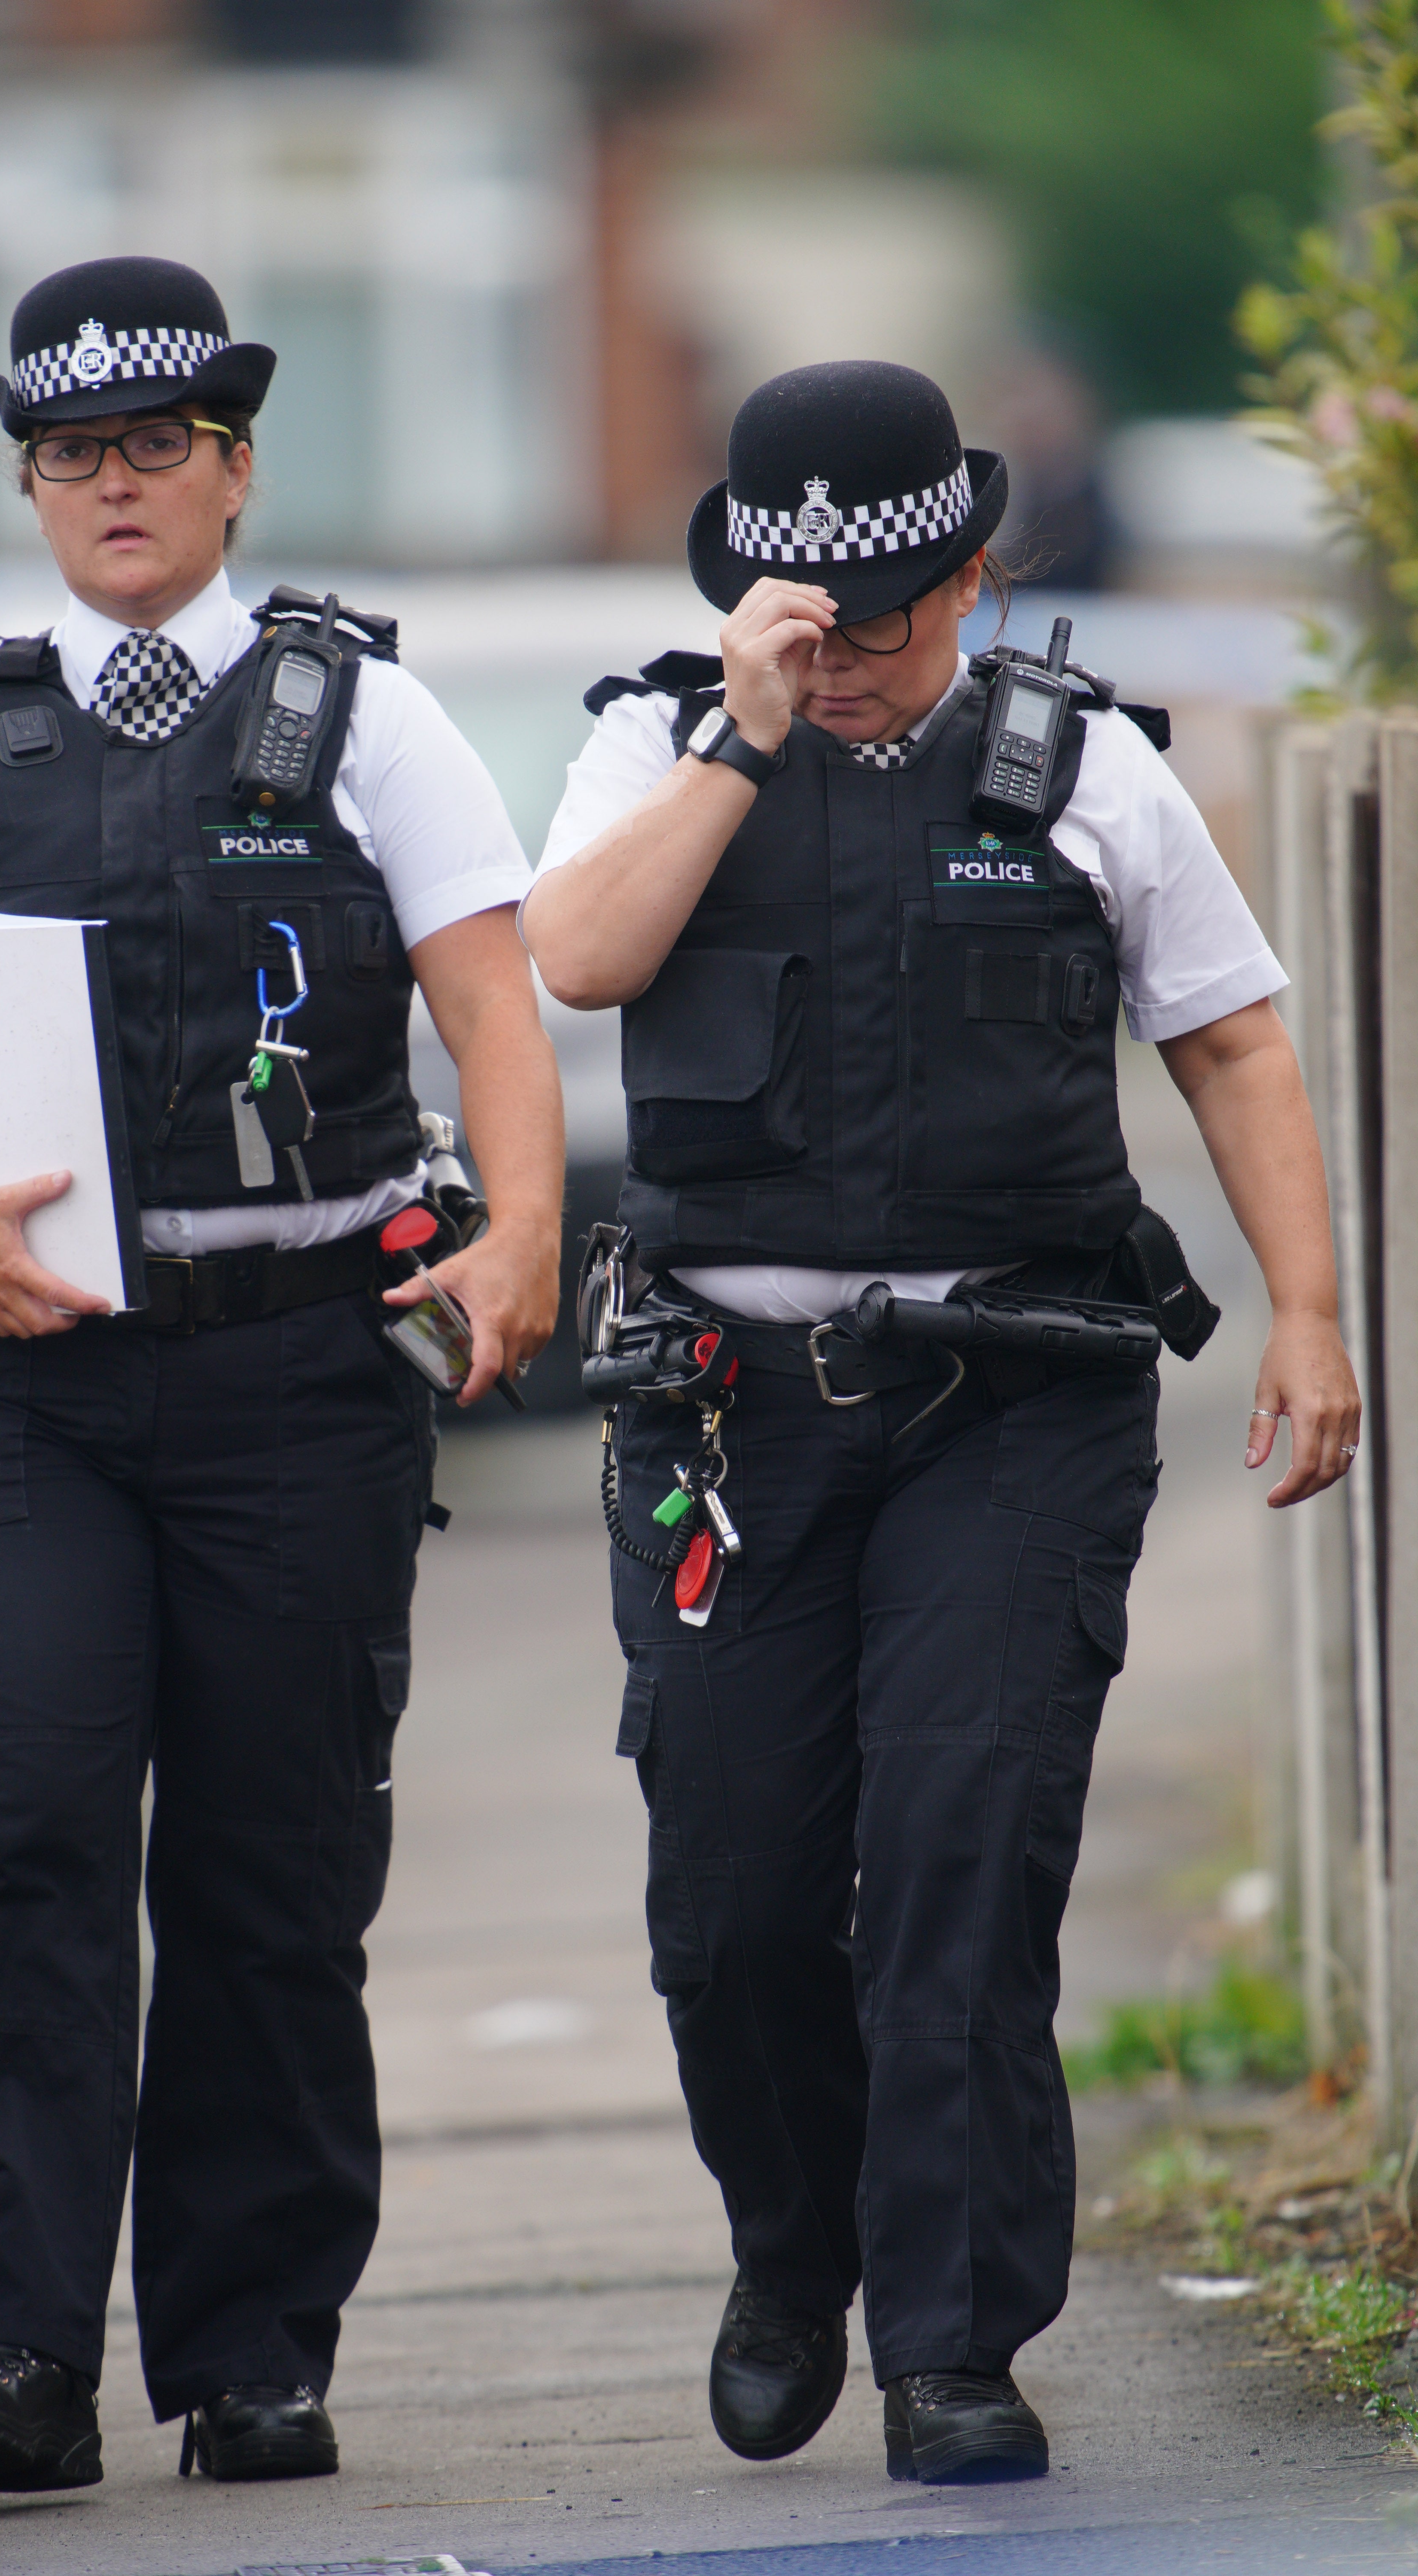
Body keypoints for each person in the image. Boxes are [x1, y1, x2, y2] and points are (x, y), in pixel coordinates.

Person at [521, 360, 1356, 2487]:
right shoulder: (654, 744)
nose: (857, 655)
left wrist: (1312, 1318)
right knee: (735, 1898)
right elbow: (579, 960)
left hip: (1016, 1402)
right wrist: (746, 731)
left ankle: (956, 2342)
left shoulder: (1087, 772)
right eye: (815, 612)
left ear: (969, 579)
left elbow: (1234, 1045)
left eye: (887, 617)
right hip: (729, 1417)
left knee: (964, 1874)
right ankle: (794, 2257)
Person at [0, 256, 563, 2494]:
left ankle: (252, 2351)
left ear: (232, 470)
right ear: (27, 484)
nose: (111, 490)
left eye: (153, 450)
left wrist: (521, 1230)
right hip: (22, 1386)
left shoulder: (357, 715)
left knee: (269, 1866)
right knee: (18, 1836)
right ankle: (2, 2354)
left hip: (296, 1369)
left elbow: (493, 1000)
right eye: (68, 457)